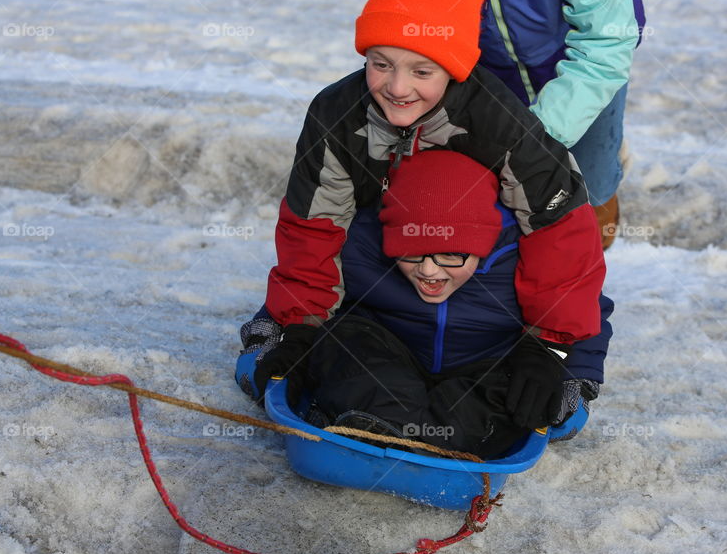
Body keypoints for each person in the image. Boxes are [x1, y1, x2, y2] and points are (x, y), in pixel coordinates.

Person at [238, 0, 607, 423]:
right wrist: (302, 325)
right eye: (380, 63)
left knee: (523, 373)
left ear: (454, 68)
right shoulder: (336, 114)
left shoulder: (499, 119)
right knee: (332, 343)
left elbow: (561, 233)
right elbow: (312, 225)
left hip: (474, 266)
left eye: (421, 71)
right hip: (385, 256)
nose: (396, 87)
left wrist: (549, 347)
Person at [239, 150, 613, 458]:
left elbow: (580, 309)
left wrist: (574, 380)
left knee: (514, 389)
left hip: (483, 364)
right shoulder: (362, 244)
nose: (430, 271)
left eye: (452, 255)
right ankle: (379, 428)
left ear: (482, 246)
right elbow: (308, 287)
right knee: (344, 341)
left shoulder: (521, 259)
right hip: (392, 354)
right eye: (412, 254)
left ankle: (442, 441)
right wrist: (273, 339)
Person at [397, 0, 646, 248]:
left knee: (589, 189)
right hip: (488, 65)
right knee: (499, 195)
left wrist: (532, 143)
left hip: (583, 58)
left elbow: (605, 42)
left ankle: (598, 212)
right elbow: (426, 32)